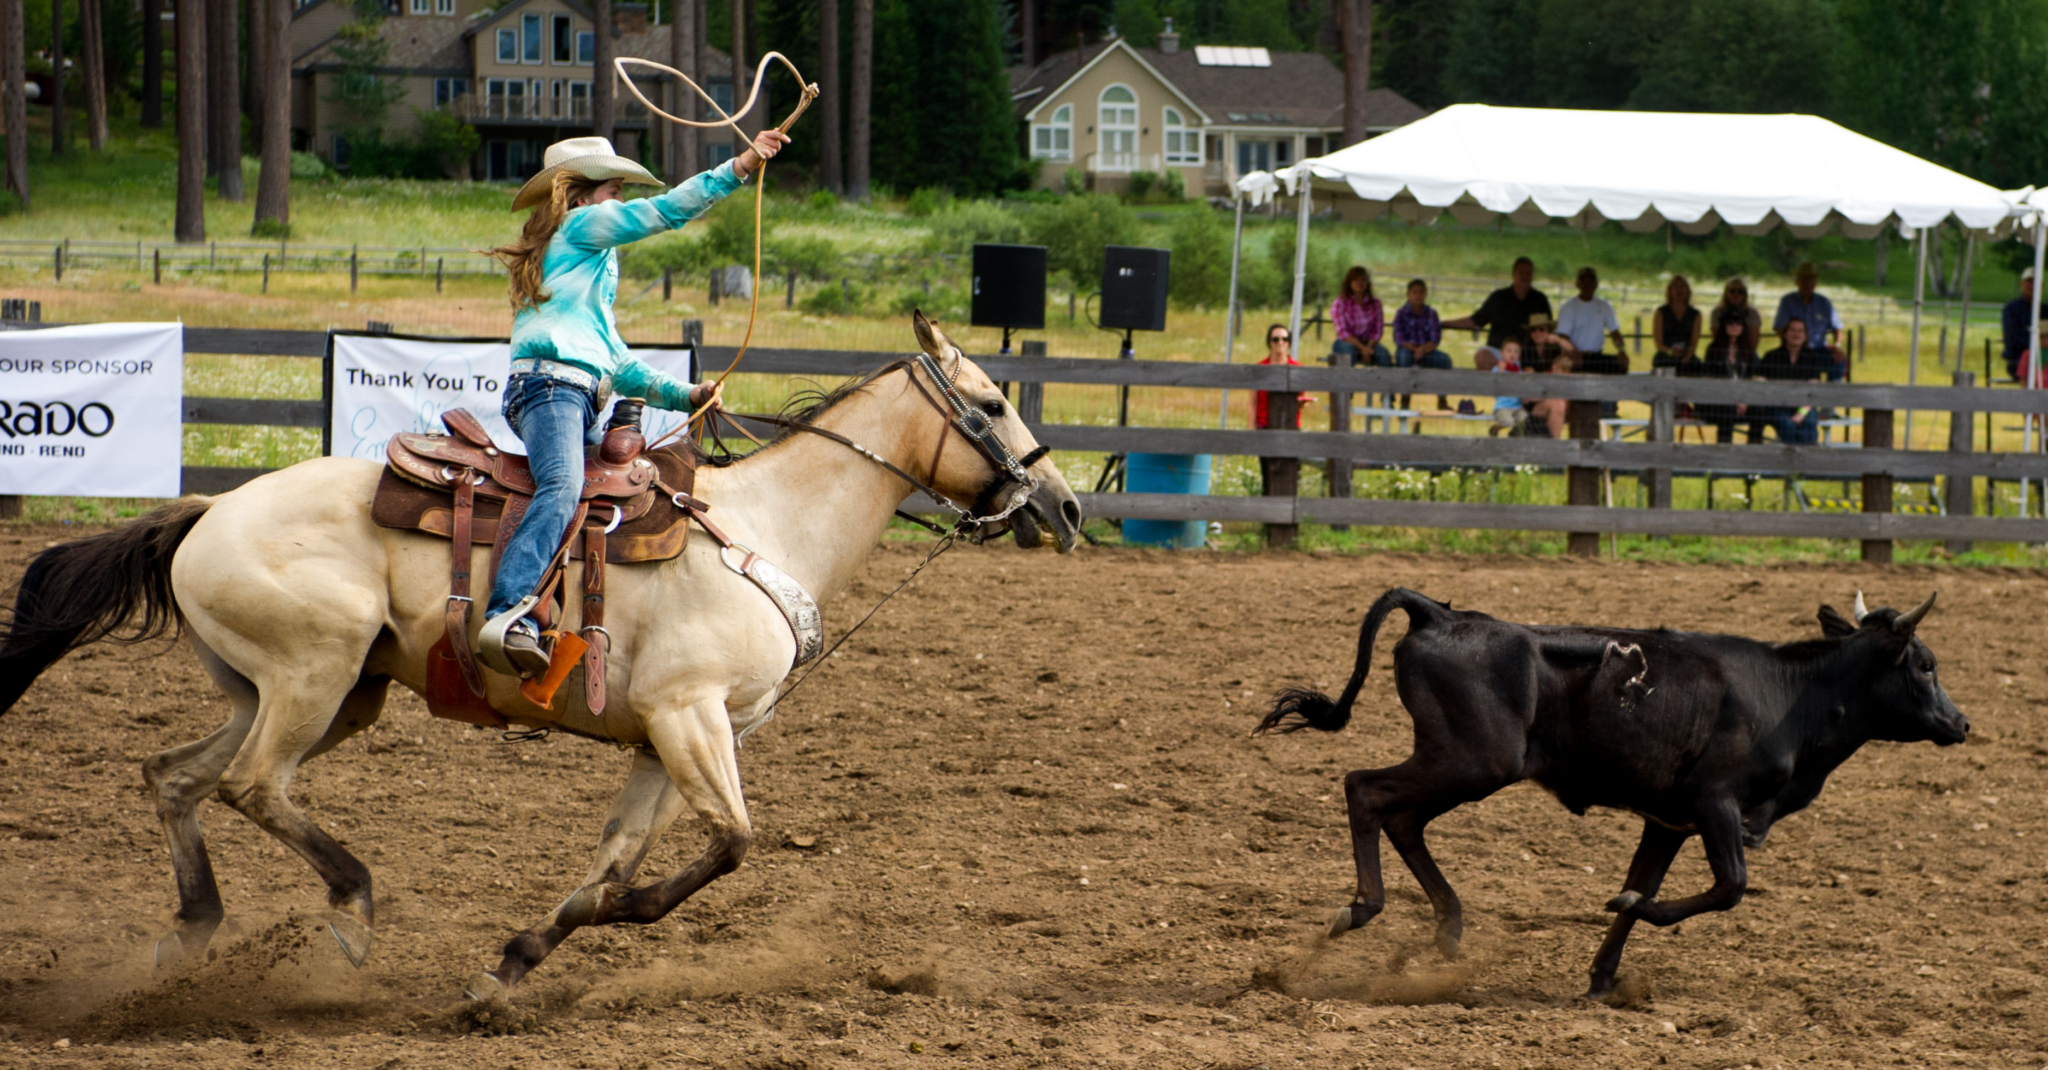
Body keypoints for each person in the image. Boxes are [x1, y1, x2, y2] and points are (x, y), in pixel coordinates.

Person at [475, 130, 788, 676]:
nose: (619, 201)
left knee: (617, 491)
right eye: (614, 190)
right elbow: (664, 212)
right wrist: (738, 167)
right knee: (563, 485)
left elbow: (617, 363)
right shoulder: (582, 225)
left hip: (566, 393)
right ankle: (509, 612)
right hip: (552, 392)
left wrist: (685, 395)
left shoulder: (583, 272)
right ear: (579, 195)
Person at [1442, 256, 1550, 363]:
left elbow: (1548, 329)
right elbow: (1475, 321)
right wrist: (1443, 324)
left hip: (1527, 356)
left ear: (1533, 276)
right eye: (1521, 273)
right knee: (1482, 356)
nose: (1525, 276)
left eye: (1528, 273)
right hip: (1497, 353)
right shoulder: (1498, 298)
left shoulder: (1540, 300)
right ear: (1513, 275)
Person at [1687, 307, 1762, 443]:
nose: (1734, 326)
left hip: (1744, 401)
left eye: (1738, 323)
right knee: (1727, 411)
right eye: (1730, 323)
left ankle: (1754, 451)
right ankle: (1724, 452)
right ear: (1724, 326)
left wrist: (1745, 401)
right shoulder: (1713, 350)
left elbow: (1757, 378)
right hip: (1718, 402)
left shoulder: (1749, 351)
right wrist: (1733, 400)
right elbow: (1708, 380)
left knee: (1760, 412)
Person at [1755, 319, 1826, 444]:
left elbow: (1813, 392)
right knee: (1787, 425)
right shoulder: (1771, 356)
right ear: (1784, 334)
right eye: (1792, 330)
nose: (1796, 334)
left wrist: (1801, 413)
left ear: (1806, 336)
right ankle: (1795, 455)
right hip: (1777, 407)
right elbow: (1758, 383)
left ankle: (1805, 456)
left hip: (1805, 406)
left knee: (1808, 426)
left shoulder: (1812, 358)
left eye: (1800, 331)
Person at [1774, 263, 1847, 381]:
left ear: (1815, 282)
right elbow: (1780, 328)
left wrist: (1837, 346)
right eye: (1803, 280)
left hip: (1819, 349)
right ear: (1797, 282)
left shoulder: (1824, 303)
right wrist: (1793, 343)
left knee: (1838, 360)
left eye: (1810, 280)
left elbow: (1837, 327)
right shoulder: (1787, 302)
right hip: (1795, 350)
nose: (1806, 283)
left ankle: (1834, 390)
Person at [1555, 266, 1629, 373]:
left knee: (1621, 364)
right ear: (1577, 284)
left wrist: (1621, 350)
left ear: (1596, 284)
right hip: (1575, 357)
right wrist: (1573, 351)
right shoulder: (1568, 307)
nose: (1587, 284)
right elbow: (1563, 336)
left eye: (1591, 280)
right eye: (1583, 280)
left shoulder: (1604, 306)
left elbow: (1614, 332)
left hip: (1596, 357)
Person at [1253, 323, 1314, 429]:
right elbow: (1252, 403)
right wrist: (1251, 429)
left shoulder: (1297, 368)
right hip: (1264, 425)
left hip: (1290, 423)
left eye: (1284, 339)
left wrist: (1300, 403)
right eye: (1276, 339)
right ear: (1269, 342)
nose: (1280, 342)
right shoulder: (1260, 367)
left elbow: (1303, 399)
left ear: (1288, 342)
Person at [1330, 266, 1390, 367]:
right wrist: (1363, 348)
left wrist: (1368, 347)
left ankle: (1385, 377)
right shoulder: (1340, 303)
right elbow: (1342, 332)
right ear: (1349, 282)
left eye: (1363, 279)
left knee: (1384, 355)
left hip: (1369, 343)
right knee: (1348, 352)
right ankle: (1343, 377)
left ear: (1367, 283)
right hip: (1347, 342)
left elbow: (1378, 330)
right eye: (1356, 279)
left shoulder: (1375, 303)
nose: (1360, 282)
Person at [1390, 278, 1451, 369]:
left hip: (1426, 351)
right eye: (1414, 292)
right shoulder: (1401, 312)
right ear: (1408, 295)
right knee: (1404, 357)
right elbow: (1399, 339)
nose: (1418, 296)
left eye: (1421, 293)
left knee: (1445, 360)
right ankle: (1403, 378)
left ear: (1425, 294)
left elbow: (1435, 339)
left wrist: (1422, 349)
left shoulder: (1432, 313)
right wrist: (1415, 350)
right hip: (1407, 349)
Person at [2001, 268, 2048, 380]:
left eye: (2036, 282)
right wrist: (2037, 344)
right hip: (2019, 359)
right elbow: (2012, 337)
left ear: (2042, 286)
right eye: (2029, 282)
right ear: (2022, 283)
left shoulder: (2046, 310)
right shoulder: (2011, 309)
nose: (2032, 286)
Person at [1475, 341, 1527, 437]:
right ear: (1501, 354)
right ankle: (1496, 428)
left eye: (1516, 352)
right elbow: (1493, 385)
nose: (1512, 354)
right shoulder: (1497, 369)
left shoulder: (1519, 372)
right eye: (1509, 351)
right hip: (1503, 406)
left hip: (1518, 406)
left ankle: (1514, 436)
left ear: (1519, 355)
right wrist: (1500, 373)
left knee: (1524, 420)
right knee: (1508, 422)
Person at [1651, 275, 1701, 369]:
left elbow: (1694, 342)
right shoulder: (1661, 312)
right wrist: (1670, 351)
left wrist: (1687, 356)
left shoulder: (1695, 314)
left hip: (1686, 355)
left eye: (1682, 287)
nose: (1679, 290)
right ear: (1670, 291)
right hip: (1665, 355)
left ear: (1687, 291)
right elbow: (1658, 341)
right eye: (1675, 287)